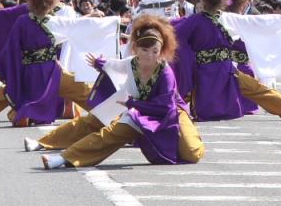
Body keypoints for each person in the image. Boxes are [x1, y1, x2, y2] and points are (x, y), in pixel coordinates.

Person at [38, 15, 205, 169]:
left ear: (161, 51)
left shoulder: (165, 72)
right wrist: (99, 63)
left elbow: (165, 107)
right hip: (139, 114)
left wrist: (133, 104)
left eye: (155, 51)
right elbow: (113, 65)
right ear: (135, 49)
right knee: (108, 132)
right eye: (145, 50)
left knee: (192, 154)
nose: (149, 56)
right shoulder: (130, 64)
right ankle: (63, 158)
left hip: (171, 114)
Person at [172, 0, 281, 122]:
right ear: (223, 0)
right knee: (259, 91)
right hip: (223, 71)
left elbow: (174, 32)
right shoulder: (227, 18)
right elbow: (257, 23)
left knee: (181, 94)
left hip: (210, 72)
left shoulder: (196, 20)